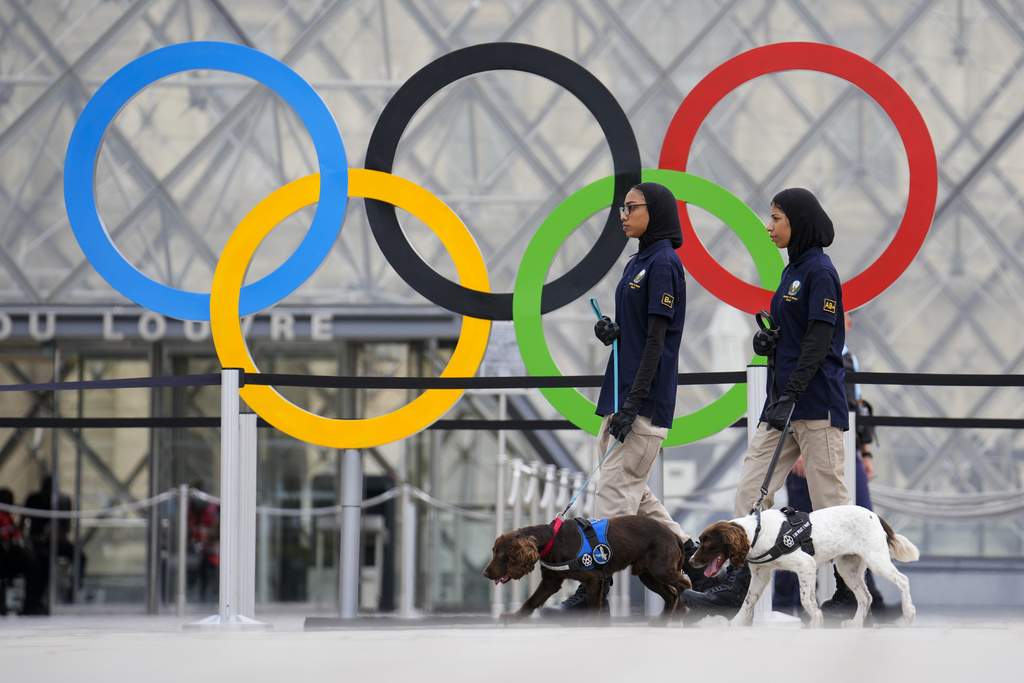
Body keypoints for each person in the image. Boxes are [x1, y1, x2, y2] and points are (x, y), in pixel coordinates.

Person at [682, 187, 853, 616]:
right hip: (782, 406)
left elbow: (819, 340)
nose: (768, 226)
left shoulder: (820, 272)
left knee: (831, 506)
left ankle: (849, 594)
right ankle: (737, 586)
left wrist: (792, 391)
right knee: (750, 494)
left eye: (776, 217)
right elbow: (796, 335)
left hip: (813, 405)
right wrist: (771, 342)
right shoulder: (792, 271)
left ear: (798, 221)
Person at [543, 182, 706, 615]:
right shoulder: (639, 262)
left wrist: (634, 404)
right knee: (636, 493)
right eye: (623, 207)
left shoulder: (665, 264)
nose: (622, 213)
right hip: (621, 395)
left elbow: (658, 342)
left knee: (615, 495)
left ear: (656, 213)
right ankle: (693, 556)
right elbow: (640, 335)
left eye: (631, 207)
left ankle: (591, 591)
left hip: (641, 402)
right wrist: (616, 333)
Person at [773, 312, 886, 618]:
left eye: (846, 317)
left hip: (839, 443)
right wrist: (797, 449)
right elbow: (794, 400)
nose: (841, 322)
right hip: (814, 443)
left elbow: (857, 409)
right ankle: (787, 602)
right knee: (799, 525)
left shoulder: (848, 357)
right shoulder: (814, 349)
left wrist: (865, 454)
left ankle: (863, 594)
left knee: (855, 518)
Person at [0, 488, 47, 614]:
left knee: (42, 560)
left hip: (15, 555)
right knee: (31, 563)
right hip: (5, 556)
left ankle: (33, 602)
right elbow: (6, 540)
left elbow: (18, 536)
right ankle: (29, 605)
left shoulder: (9, 517)